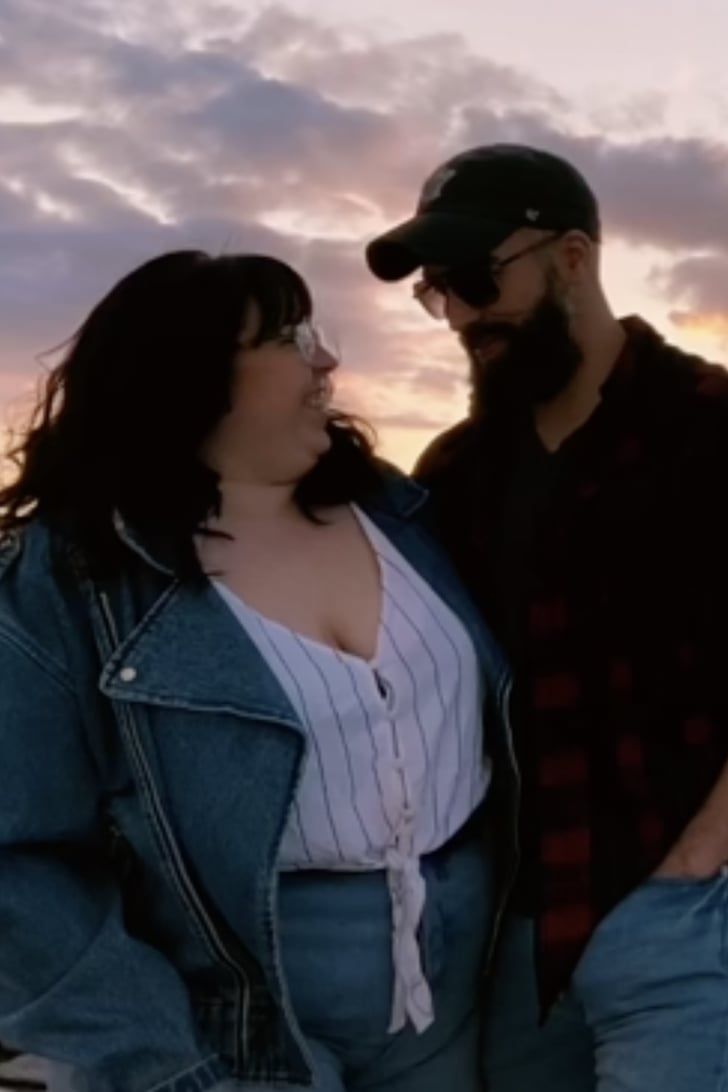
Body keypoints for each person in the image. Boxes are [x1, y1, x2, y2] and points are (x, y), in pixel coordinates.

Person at [0, 250, 513, 1092]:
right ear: (189, 376)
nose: (326, 359)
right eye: (288, 337)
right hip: (238, 1010)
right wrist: (163, 1064)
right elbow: (17, 865)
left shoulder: (403, 510)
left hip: (454, 965)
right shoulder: (72, 580)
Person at [366, 144, 728, 1091]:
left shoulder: (711, 427)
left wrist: (701, 854)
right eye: (438, 293)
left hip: (689, 912)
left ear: (573, 256)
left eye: (480, 279)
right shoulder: (454, 473)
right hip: (516, 933)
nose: (463, 317)